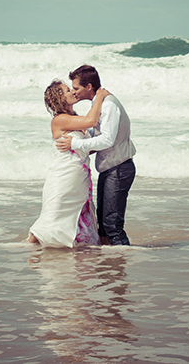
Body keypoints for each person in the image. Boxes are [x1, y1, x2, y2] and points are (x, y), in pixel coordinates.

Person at [55, 65, 136, 246]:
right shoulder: (98, 103)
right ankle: (108, 266)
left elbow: (107, 140)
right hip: (109, 168)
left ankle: (120, 266)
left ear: (89, 87)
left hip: (119, 169)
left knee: (112, 225)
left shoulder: (108, 105)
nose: (74, 92)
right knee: (103, 226)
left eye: (76, 88)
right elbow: (97, 137)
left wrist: (75, 144)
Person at [27, 80, 111, 248]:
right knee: (55, 211)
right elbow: (91, 121)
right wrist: (100, 96)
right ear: (60, 98)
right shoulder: (59, 120)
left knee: (76, 213)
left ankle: (72, 247)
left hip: (78, 176)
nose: (73, 91)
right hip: (64, 175)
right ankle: (28, 248)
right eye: (68, 90)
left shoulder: (73, 118)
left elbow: (86, 147)